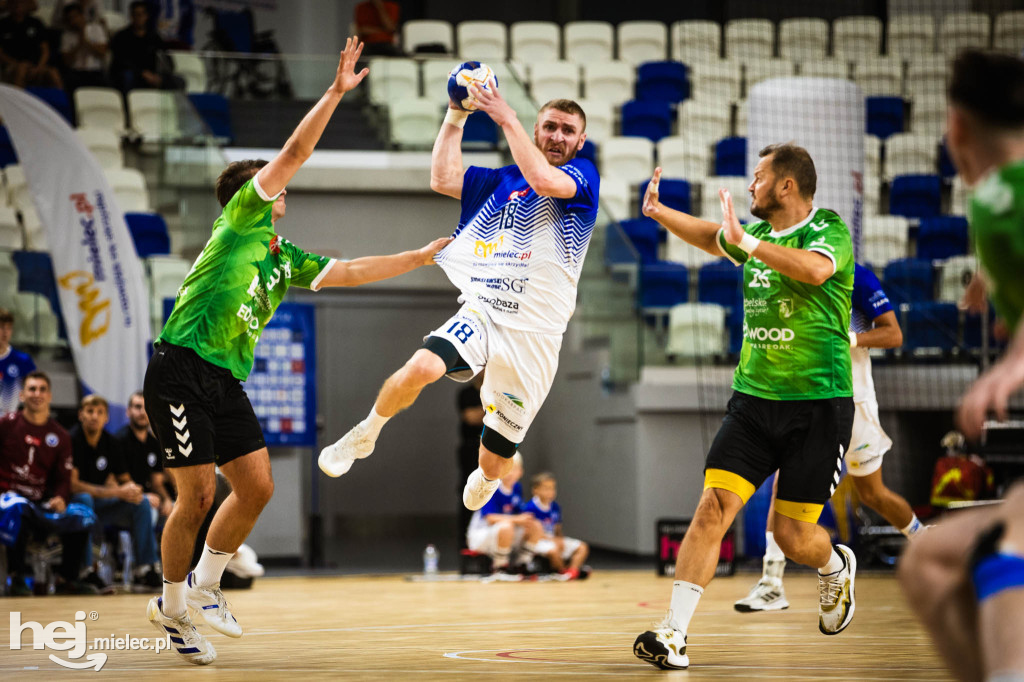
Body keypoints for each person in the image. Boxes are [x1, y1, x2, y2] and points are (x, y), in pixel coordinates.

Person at [142, 37, 448, 666]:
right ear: (252, 193)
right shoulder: (241, 219)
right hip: (179, 369)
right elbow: (296, 150)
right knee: (196, 497)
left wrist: (417, 257)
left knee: (256, 487)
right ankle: (170, 606)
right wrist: (336, 92)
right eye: (275, 187)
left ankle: (204, 588)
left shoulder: (283, 260)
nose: (285, 193)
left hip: (225, 380)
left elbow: (355, 269)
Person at [319, 84, 600, 519]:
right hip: (485, 309)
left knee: (494, 459)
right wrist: (455, 115)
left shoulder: (583, 176)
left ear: (580, 141)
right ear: (537, 130)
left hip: (535, 337)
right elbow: (443, 179)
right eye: (550, 127)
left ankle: (487, 477)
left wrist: (504, 115)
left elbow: (545, 181)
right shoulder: (501, 179)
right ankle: (365, 433)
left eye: (568, 130)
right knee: (422, 366)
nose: (558, 137)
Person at [632, 144, 856, 671]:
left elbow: (813, 272)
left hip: (818, 405)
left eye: (759, 178)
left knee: (790, 536)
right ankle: (674, 634)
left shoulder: (828, 229)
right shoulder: (753, 240)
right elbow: (715, 238)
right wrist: (660, 214)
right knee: (713, 507)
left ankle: (833, 566)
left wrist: (747, 242)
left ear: (786, 186)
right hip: (754, 401)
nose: (751, 186)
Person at [899, 50, 1024, 682]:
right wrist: (990, 281)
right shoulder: (999, 202)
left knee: (1013, 544)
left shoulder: (1002, 197)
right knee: (927, 563)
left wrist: (1016, 359)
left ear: (955, 129)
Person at [735, 262, 924, 612]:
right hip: (807, 401)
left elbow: (893, 334)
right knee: (782, 482)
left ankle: (923, 539)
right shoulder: (787, 273)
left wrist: (849, 338)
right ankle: (772, 583)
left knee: (873, 493)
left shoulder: (857, 278)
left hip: (854, 399)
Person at [0, 371, 97, 595]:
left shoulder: (60, 435)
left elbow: (63, 478)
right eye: (32, 389)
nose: (37, 394)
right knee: (16, 506)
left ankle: (67, 578)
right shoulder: (6, 425)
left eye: (42, 389)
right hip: (8, 501)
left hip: (39, 505)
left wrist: (61, 498)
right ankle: (17, 578)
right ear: (22, 395)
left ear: (50, 396)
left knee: (82, 513)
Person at [69, 394, 162, 589]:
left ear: (106, 418)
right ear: (80, 415)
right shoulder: (72, 439)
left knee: (141, 503)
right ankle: (86, 570)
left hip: (102, 506)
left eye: (99, 412)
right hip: (74, 505)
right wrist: (116, 492)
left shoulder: (111, 443)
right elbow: (73, 485)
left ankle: (144, 569)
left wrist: (136, 492)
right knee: (84, 499)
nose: (94, 416)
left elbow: (125, 482)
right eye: (90, 411)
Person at [465, 452, 543, 575]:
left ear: (520, 472)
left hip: (503, 532)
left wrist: (527, 519)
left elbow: (518, 513)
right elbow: (490, 518)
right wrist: (518, 520)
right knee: (507, 526)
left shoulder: (517, 488)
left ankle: (522, 564)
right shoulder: (493, 487)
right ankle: (500, 566)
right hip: (481, 535)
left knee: (535, 526)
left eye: (514, 469)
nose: (510, 473)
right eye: (508, 469)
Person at [115, 391, 174, 522]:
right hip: (127, 499)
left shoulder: (154, 443)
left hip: (151, 498)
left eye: (146, 408)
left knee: (176, 511)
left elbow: (156, 481)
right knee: (148, 510)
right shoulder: (119, 441)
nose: (142, 412)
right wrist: (144, 496)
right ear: (128, 411)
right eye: (137, 407)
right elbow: (120, 480)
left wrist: (166, 499)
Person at [520, 471, 590, 580]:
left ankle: (573, 570)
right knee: (553, 551)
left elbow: (557, 530)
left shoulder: (555, 507)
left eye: (552, 488)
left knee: (582, 547)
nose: (550, 492)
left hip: (553, 539)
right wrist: (552, 540)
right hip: (539, 541)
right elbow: (529, 533)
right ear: (535, 490)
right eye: (546, 488)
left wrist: (559, 540)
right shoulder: (530, 508)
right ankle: (562, 571)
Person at [108, 0, 180, 92]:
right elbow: (120, 61)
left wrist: (158, 75)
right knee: (127, 77)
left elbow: (165, 57)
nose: (138, 18)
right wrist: (142, 73)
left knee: (178, 81)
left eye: (141, 15)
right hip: (132, 74)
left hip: (152, 74)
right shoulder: (121, 37)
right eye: (136, 15)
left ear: (146, 16)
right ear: (131, 16)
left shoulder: (154, 37)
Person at [0, 0, 62, 88]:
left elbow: (45, 50)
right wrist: (15, 64)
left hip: (36, 65)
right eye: (14, 3)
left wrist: (39, 67)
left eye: (21, 3)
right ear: (9, 6)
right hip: (12, 65)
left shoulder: (36, 22)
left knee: (53, 73)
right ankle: (19, 100)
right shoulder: (3, 24)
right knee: (22, 69)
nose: (18, 6)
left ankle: (62, 100)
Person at [456, 372, 484, 549]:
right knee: (469, 490)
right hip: (471, 448)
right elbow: (471, 417)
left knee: (494, 490)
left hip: (492, 446)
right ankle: (466, 539)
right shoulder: (466, 393)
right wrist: (494, 410)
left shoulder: (496, 389)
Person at [59, 1, 111, 92]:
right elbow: (67, 61)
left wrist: (86, 40)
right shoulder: (66, 35)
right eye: (70, 19)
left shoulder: (96, 29)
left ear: (82, 15)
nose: (74, 21)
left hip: (95, 71)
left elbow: (102, 52)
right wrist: (79, 44)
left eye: (75, 16)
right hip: (76, 73)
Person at [0, 307, 36, 417]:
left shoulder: (23, 360)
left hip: (9, 424)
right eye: (1, 328)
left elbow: (33, 394)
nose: (5, 332)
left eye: (9, 328)